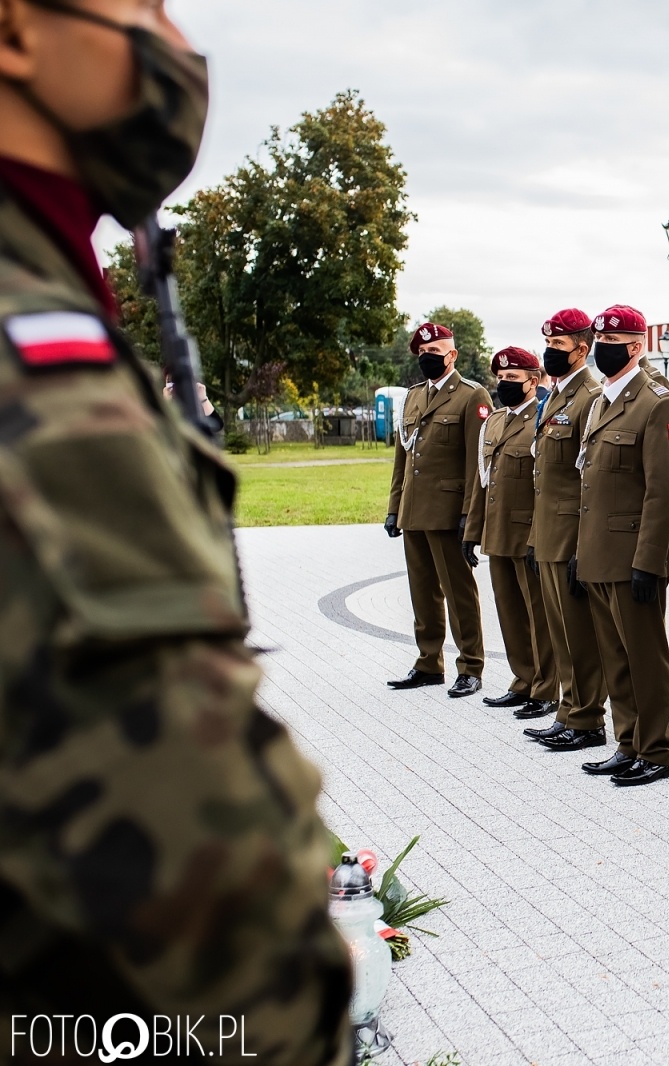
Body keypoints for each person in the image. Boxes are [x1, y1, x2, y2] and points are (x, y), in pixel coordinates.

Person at [0, 1, 351, 1060]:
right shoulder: (33, 347)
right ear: (17, 30)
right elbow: (195, 842)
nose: (176, 44)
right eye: (142, 5)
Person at [566, 305, 669, 783]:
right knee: (615, 656)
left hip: (635, 554)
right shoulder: (600, 402)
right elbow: (589, 485)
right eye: (598, 339)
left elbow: (665, 491)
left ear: (635, 348)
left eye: (611, 341)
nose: (601, 348)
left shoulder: (658, 404)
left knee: (644, 656)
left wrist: (649, 560)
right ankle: (627, 741)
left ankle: (656, 750)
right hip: (599, 550)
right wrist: (581, 548)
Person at [386, 321, 492, 697]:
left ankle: (471, 666)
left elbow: (477, 463)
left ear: (452, 355)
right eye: (422, 353)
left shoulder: (471, 396)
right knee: (422, 590)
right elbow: (403, 456)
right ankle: (429, 661)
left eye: (435, 352)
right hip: (414, 509)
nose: (427, 358)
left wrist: (470, 515)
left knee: (458, 590)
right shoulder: (413, 397)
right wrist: (394, 506)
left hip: (449, 512)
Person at [524, 310, 610, 742]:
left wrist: (581, 543)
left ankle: (587, 718)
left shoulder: (590, 396)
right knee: (560, 629)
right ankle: (568, 708)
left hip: (572, 531)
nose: (549, 352)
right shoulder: (558, 395)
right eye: (548, 344)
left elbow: (589, 478)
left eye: (558, 345)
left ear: (582, 348)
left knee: (579, 633)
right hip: (549, 531)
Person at [464, 346, 560, 712]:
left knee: (539, 615)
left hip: (529, 534)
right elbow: (482, 482)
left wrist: (540, 537)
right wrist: (472, 532)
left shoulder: (542, 419)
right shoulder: (494, 421)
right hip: (498, 532)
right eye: (501, 378)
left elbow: (545, 486)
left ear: (533, 382)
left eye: (512, 378)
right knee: (509, 611)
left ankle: (546, 688)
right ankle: (523, 679)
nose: (504, 384)